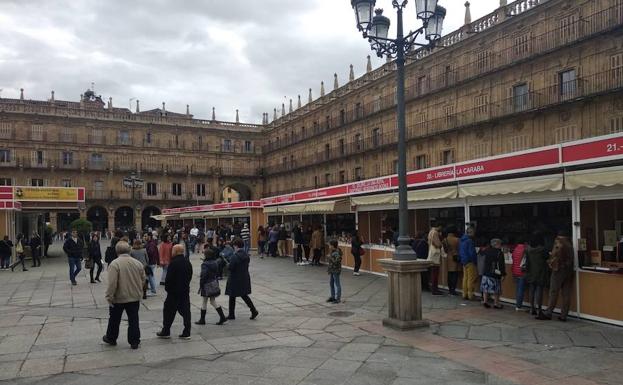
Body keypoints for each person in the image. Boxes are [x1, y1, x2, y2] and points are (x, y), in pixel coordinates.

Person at [103, 241, 146, 349]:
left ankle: (111, 338)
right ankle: (134, 341)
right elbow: (143, 279)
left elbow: (112, 283)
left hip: (119, 297)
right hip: (134, 296)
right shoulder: (137, 263)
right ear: (129, 250)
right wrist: (138, 290)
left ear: (117, 251)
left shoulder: (115, 264)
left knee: (114, 319)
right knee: (133, 319)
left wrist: (109, 296)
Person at [157, 244, 193, 339]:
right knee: (186, 311)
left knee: (168, 311)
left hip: (173, 292)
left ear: (176, 252)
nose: (171, 252)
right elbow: (190, 276)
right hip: (184, 291)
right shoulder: (187, 262)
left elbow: (168, 279)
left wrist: (168, 289)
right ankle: (187, 331)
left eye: (172, 250)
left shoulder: (173, 263)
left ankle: (166, 331)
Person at [541, 234, 574, 321]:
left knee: (553, 291)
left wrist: (550, 259)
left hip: (558, 270)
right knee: (566, 293)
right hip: (569, 271)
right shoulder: (570, 244)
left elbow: (554, 255)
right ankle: (564, 315)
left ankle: (549, 312)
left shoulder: (559, 244)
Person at [226, 238, 259, 320]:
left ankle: (231, 314)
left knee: (232, 296)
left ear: (236, 246)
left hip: (234, 278)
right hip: (244, 277)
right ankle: (253, 310)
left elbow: (231, 267)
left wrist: (228, 264)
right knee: (244, 295)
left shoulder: (234, 256)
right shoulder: (246, 255)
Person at [195, 248, 227, 326]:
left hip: (206, 284)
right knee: (211, 300)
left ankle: (203, 319)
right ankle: (221, 317)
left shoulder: (205, 264)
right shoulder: (215, 262)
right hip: (214, 282)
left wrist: (201, 283)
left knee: (206, 301)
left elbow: (204, 275)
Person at [525, 235, 550, 318]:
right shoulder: (543, 250)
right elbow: (548, 258)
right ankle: (539, 309)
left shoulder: (528, 250)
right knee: (539, 290)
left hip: (531, 272)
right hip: (541, 272)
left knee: (532, 290)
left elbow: (527, 262)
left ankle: (532, 308)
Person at [480, 238, 506, 309]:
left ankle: (485, 301)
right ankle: (496, 303)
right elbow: (501, 265)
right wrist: (503, 274)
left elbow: (481, 256)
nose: (501, 246)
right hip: (495, 273)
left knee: (485, 287)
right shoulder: (499, 253)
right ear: (496, 244)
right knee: (496, 289)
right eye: (500, 244)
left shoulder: (487, 250)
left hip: (486, 272)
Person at [459, 227, 478, 300]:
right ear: (470, 232)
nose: (474, 234)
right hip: (470, 261)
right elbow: (472, 253)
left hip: (464, 261)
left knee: (465, 278)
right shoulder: (470, 241)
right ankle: (470, 295)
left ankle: (464, 294)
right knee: (471, 278)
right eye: (473, 232)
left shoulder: (462, 240)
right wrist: (475, 261)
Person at [511, 236, 528, 311]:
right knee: (521, 289)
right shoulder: (525, 250)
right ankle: (518, 306)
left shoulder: (515, 249)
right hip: (522, 272)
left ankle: (517, 304)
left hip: (515, 271)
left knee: (518, 289)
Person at [427, 224, 443, 296]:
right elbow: (437, 244)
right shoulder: (435, 232)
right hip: (435, 256)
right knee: (435, 273)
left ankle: (434, 288)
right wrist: (441, 244)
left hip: (431, 253)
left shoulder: (431, 232)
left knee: (433, 272)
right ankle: (435, 289)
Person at [443, 226, 461, 296]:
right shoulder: (457, 240)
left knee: (449, 274)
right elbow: (459, 249)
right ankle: (453, 290)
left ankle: (450, 289)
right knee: (455, 274)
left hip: (448, 257)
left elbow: (445, 250)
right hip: (455, 257)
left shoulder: (445, 240)